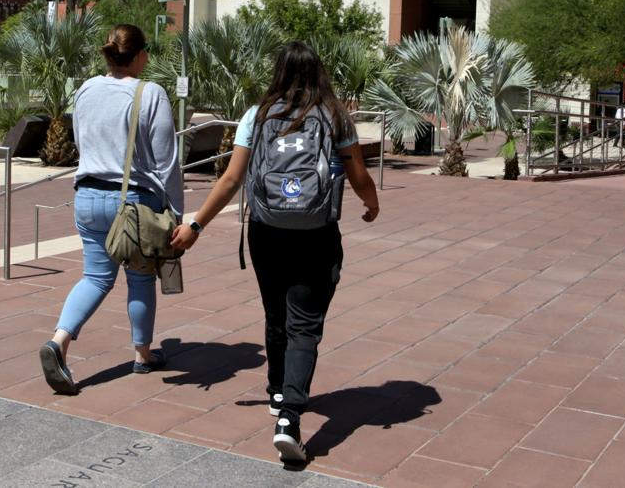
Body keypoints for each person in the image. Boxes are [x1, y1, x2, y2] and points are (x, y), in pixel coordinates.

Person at [177, 41, 380, 463]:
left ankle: (275, 390)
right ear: (318, 73)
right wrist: (371, 203)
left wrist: (196, 225)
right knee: (304, 325)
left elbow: (233, 179)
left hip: (267, 231)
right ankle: (289, 417)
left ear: (280, 72)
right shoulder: (336, 115)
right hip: (317, 232)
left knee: (275, 313)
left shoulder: (258, 114)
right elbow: (358, 173)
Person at [38, 24, 183, 395]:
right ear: (136, 56)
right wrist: (177, 213)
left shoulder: (86, 89)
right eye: (145, 51)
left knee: (96, 277)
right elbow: (166, 161)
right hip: (133, 202)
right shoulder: (149, 93)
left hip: (87, 195)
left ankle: (59, 341)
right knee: (139, 278)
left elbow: (81, 139)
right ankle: (142, 354)